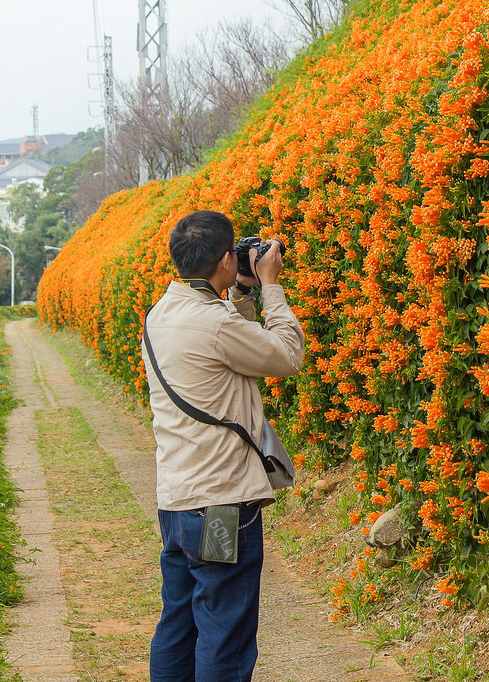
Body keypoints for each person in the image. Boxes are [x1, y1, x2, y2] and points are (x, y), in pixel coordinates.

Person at [142, 210, 304, 681]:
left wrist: (242, 294)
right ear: (225, 261)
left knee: (178, 623)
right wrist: (271, 286)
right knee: (224, 631)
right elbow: (285, 355)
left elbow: (227, 340)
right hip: (220, 508)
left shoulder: (162, 314)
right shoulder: (214, 324)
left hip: (176, 504)